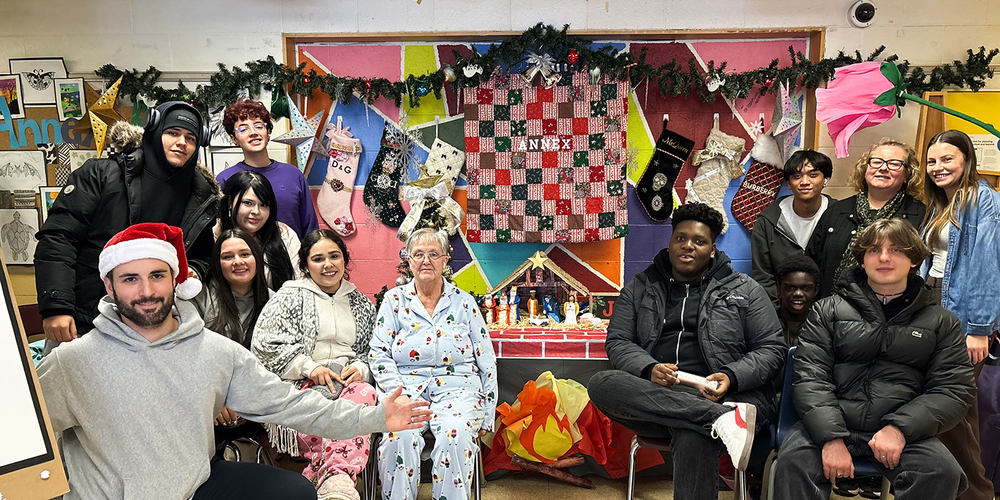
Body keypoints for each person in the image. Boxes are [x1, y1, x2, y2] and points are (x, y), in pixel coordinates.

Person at [37, 223, 431, 500]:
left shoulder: (214, 351)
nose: (146, 291)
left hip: (193, 486)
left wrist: (375, 417)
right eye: (130, 279)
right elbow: (26, 439)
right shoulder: (74, 363)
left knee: (294, 492)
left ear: (175, 280)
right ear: (109, 285)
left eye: (157, 275)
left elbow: (291, 405)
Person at [588, 202, 786, 500]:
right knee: (601, 384)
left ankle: (713, 417)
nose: (688, 246)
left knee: (694, 433)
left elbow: (772, 349)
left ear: (713, 249)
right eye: (680, 238)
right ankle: (719, 419)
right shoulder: (640, 287)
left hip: (727, 395)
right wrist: (648, 368)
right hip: (659, 397)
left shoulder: (744, 289)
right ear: (670, 242)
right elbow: (618, 342)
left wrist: (732, 377)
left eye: (699, 241)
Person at [774, 218, 976, 500]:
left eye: (896, 250)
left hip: (900, 428)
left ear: (914, 259)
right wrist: (831, 437)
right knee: (794, 463)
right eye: (873, 250)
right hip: (827, 423)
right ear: (862, 260)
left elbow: (953, 390)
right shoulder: (827, 311)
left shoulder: (943, 323)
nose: (884, 257)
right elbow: (810, 378)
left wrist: (899, 429)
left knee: (942, 471)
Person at [35, 101, 220, 344]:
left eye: (191, 138)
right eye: (173, 133)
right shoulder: (103, 174)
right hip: (86, 319)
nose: (182, 142)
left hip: (155, 326)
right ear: (154, 131)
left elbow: (203, 254)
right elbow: (59, 237)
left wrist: (194, 269)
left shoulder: (201, 194)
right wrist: (57, 307)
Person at [369, 228, 498, 500]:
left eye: (433, 254)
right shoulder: (394, 301)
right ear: (408, 260)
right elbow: (379, 353)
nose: (426, 260)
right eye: (418, 254)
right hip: (406, 389)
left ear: (445, 261)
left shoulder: (464, 303)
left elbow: (486, 358)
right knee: (398, 437)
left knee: (454, 436)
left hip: (459, 390)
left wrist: (487, 412)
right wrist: (398, 395)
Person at [252, 229, 378, 500]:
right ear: (306, 264)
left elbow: (375, 350)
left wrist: (362, 368)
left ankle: (330, 479)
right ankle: (337, 482)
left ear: (345, 260)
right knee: (321, 411)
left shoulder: (363, 304)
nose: (328, 265)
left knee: (364, 395)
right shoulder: (288, 299)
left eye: (334, 256)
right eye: (318, 258)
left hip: (348, 385)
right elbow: (264, 347)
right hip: (301, 383)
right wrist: (310, 367)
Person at [919, 129, 999, 500]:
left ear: (967, 160)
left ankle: (977, 493)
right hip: (934, 309)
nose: (937, 167)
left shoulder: (984, 201)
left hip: (964, 318)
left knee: (950, 410)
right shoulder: (942, 203)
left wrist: (980, 329)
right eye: (932, 161)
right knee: (956, 412)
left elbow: (987, 267)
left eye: (947, 159)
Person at [808, 138, 926, 298]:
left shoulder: (920, 215)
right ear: (865, 168)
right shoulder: (837, 211)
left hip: (892, 314)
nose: (883, 168)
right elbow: (811, 263)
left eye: (894, 163)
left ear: (907, 175)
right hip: (833, 311)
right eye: (876, 162)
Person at [219, 99, 319, 239]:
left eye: (259, 126)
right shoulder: (225, 179)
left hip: (292, 257)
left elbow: (310, 228)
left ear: (268, 131)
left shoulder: (293, 175)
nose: (253, 132)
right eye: (243, 129)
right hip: (245, 258)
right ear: (234, 139)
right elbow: (220, 228)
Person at [752, 150, 833, 306]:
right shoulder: (768, 220)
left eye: (813, 175)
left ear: (826, 180)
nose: (805, 182)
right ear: (788, 184)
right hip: (781, 311)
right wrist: (776, 314)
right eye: (797, 177)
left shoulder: (839, 216)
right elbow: (763, 276)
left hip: (828, 311)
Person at [220, 170, 299, 290]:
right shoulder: (213, 235)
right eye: (248, 203)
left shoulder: (284, 234)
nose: (256, 211)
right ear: (230, 202)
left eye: (263, 205)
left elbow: (299, 281)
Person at [192, 229, 271, 349]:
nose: (238, 261)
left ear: (257, 258)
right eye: (228, 257)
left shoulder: (275, 300)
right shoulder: (201, 296)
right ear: (218, 263)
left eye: (245, 254)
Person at [774, 254, 821, 349]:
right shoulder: (766, 324)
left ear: (815, 290)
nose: (798, 294)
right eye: (790, 288)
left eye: (806, 288)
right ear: (778, 288)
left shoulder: (822, 327)